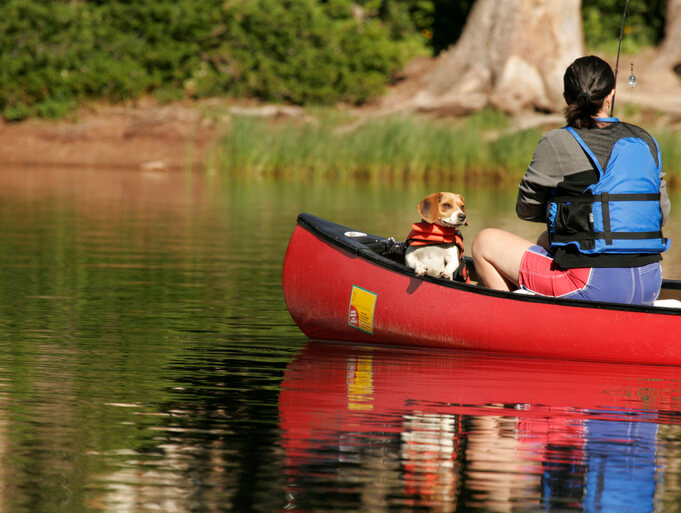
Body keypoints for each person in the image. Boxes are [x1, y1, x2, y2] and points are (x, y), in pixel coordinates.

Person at [471, 55, 671, 305]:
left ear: (566, 98)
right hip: (649, 282)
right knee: (546, 240)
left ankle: (511, 323)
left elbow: (526, 209)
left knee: (484, 242)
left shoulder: (556, 141)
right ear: (611, 95)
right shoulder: (646, 140)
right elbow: (660, 214)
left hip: (594, 286)